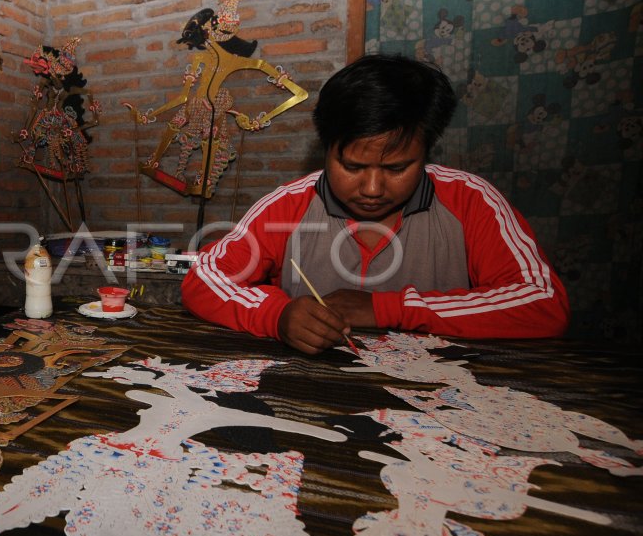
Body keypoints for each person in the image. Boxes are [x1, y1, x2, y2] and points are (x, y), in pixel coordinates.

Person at [182, 53, 569, 354]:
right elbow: (204, 277)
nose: (371, 188)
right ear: (326, 149)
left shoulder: (470, 199)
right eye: (351, 165)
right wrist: (277, 315)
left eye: (397, 167)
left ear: (427, 151)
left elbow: (542, 302)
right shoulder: (289, 205)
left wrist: (387, 309)